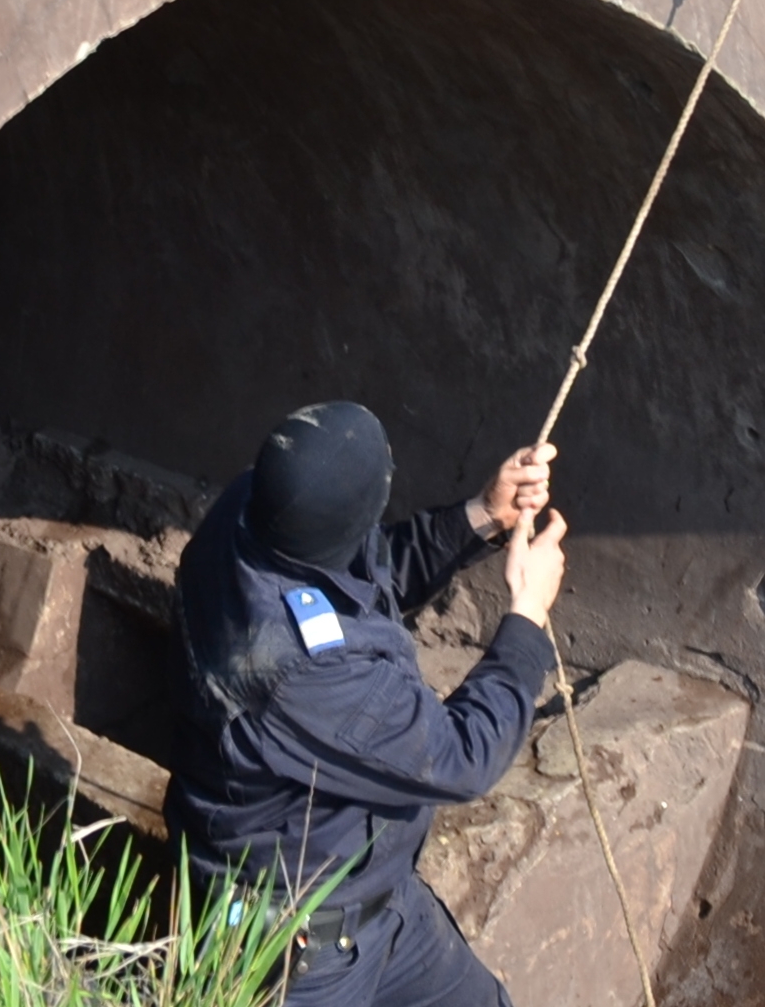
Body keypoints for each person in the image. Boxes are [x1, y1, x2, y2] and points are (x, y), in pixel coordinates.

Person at [169, 402, 570, 1004]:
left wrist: (479, 515)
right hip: (292, 943)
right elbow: (457, 756)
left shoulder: (253, 511)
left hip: (375, 897)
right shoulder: (301, 668)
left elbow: (360, 566)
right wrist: (526, 619)